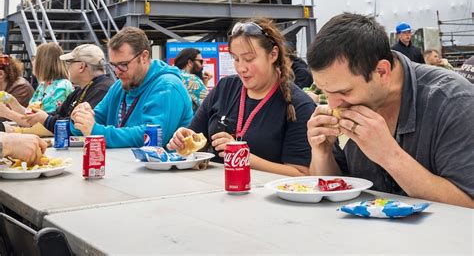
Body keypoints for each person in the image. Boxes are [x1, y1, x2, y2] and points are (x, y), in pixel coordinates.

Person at [306, 13, 474, 208]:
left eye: (344, 91)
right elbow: (333, 190)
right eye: (326, 92)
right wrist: (322, 153)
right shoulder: (348, 103)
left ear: (381, 72)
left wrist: (389, 155)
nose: (334, 104)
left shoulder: (452, 101)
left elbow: (468, 204)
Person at [169, 18, 315, 176]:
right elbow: (197, 141)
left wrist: (243, 156)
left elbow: (301, 174)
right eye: (236, 59)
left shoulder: (299, 105)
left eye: (249, 59)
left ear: (273, 55)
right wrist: (184, 140)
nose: (241, 68)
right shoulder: (225, 88)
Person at [70, 27, 192, 147]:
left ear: (144, 57)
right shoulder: (120, 85)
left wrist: (97, 132)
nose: (117, 72)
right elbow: (95, 119)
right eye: (113, 65)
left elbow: (151, 136)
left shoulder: (167, 86)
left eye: (123, 65)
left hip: (160, 166)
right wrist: (80, 118)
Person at [21, 44, 113, 133]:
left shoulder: (102, 89)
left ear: (82, 66)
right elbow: (59, 113)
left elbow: (80, 125)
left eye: (69, 62)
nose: (67, 66)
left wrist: (46, 119)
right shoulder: (82, 89)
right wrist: (43, 117)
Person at [0, 43, 73, 123]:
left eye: (34, 58)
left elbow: (42, 123)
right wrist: (11, 100)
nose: (32, 61)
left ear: (44, 62)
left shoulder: (61, 87)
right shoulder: (43, 85)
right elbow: (29, 114)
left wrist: (7, 113)